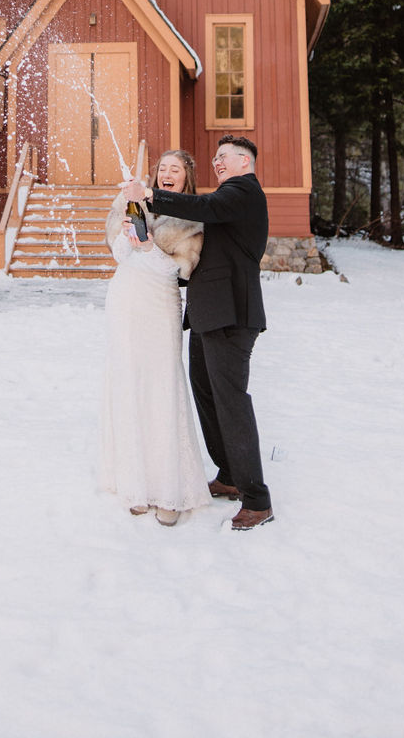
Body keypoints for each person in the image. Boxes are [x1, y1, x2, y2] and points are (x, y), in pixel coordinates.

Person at [123, 135, 273, 531]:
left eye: (224, 157)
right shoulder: (229, 200)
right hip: (209, 314)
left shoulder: (244, 192)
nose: (218, 163)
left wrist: (152, 194)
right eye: (216, 158)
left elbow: (206, 206)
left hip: (231, 315)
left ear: (245, 161)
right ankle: (228, 473)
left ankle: (257, 499)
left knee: (230, 400)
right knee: (206, 393)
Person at [100, 150, 209, 527]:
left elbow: (182, 269)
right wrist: (131, 230)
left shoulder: (192, 216)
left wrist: (149, 249)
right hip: (126, 299)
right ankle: (136, 484)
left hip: (160, 302)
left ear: (185, 178)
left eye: (175, 170)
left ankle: (169, 489)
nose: (167, 174)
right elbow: (117, 251)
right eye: (162, 168)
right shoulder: (132, 198)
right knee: (130, 381)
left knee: (162, 386)